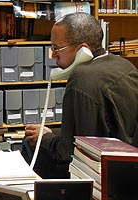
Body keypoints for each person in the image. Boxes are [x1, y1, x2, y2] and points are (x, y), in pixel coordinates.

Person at [21, 12, 138, 179]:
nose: (53, 55)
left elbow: (68, 154)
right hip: (127, 163)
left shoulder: (82, 79)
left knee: (30, 142)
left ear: (83, 49)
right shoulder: (123, 65)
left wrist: (45, 138)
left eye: (56, 48)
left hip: (101, 174)